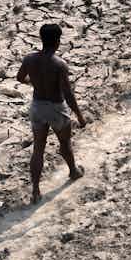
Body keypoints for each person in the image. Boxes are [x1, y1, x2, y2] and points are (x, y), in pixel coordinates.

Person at [16, 24, 86, 204]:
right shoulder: (59, 64)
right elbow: (68, 94)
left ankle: (35, 190)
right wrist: (79, 114)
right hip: (56, 107)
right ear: (57, 41)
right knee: (64, 142)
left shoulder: (29, 59)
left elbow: (19, 78)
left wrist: (33, 82)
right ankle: (73, 171)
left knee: (38, 148)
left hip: (37, 106)